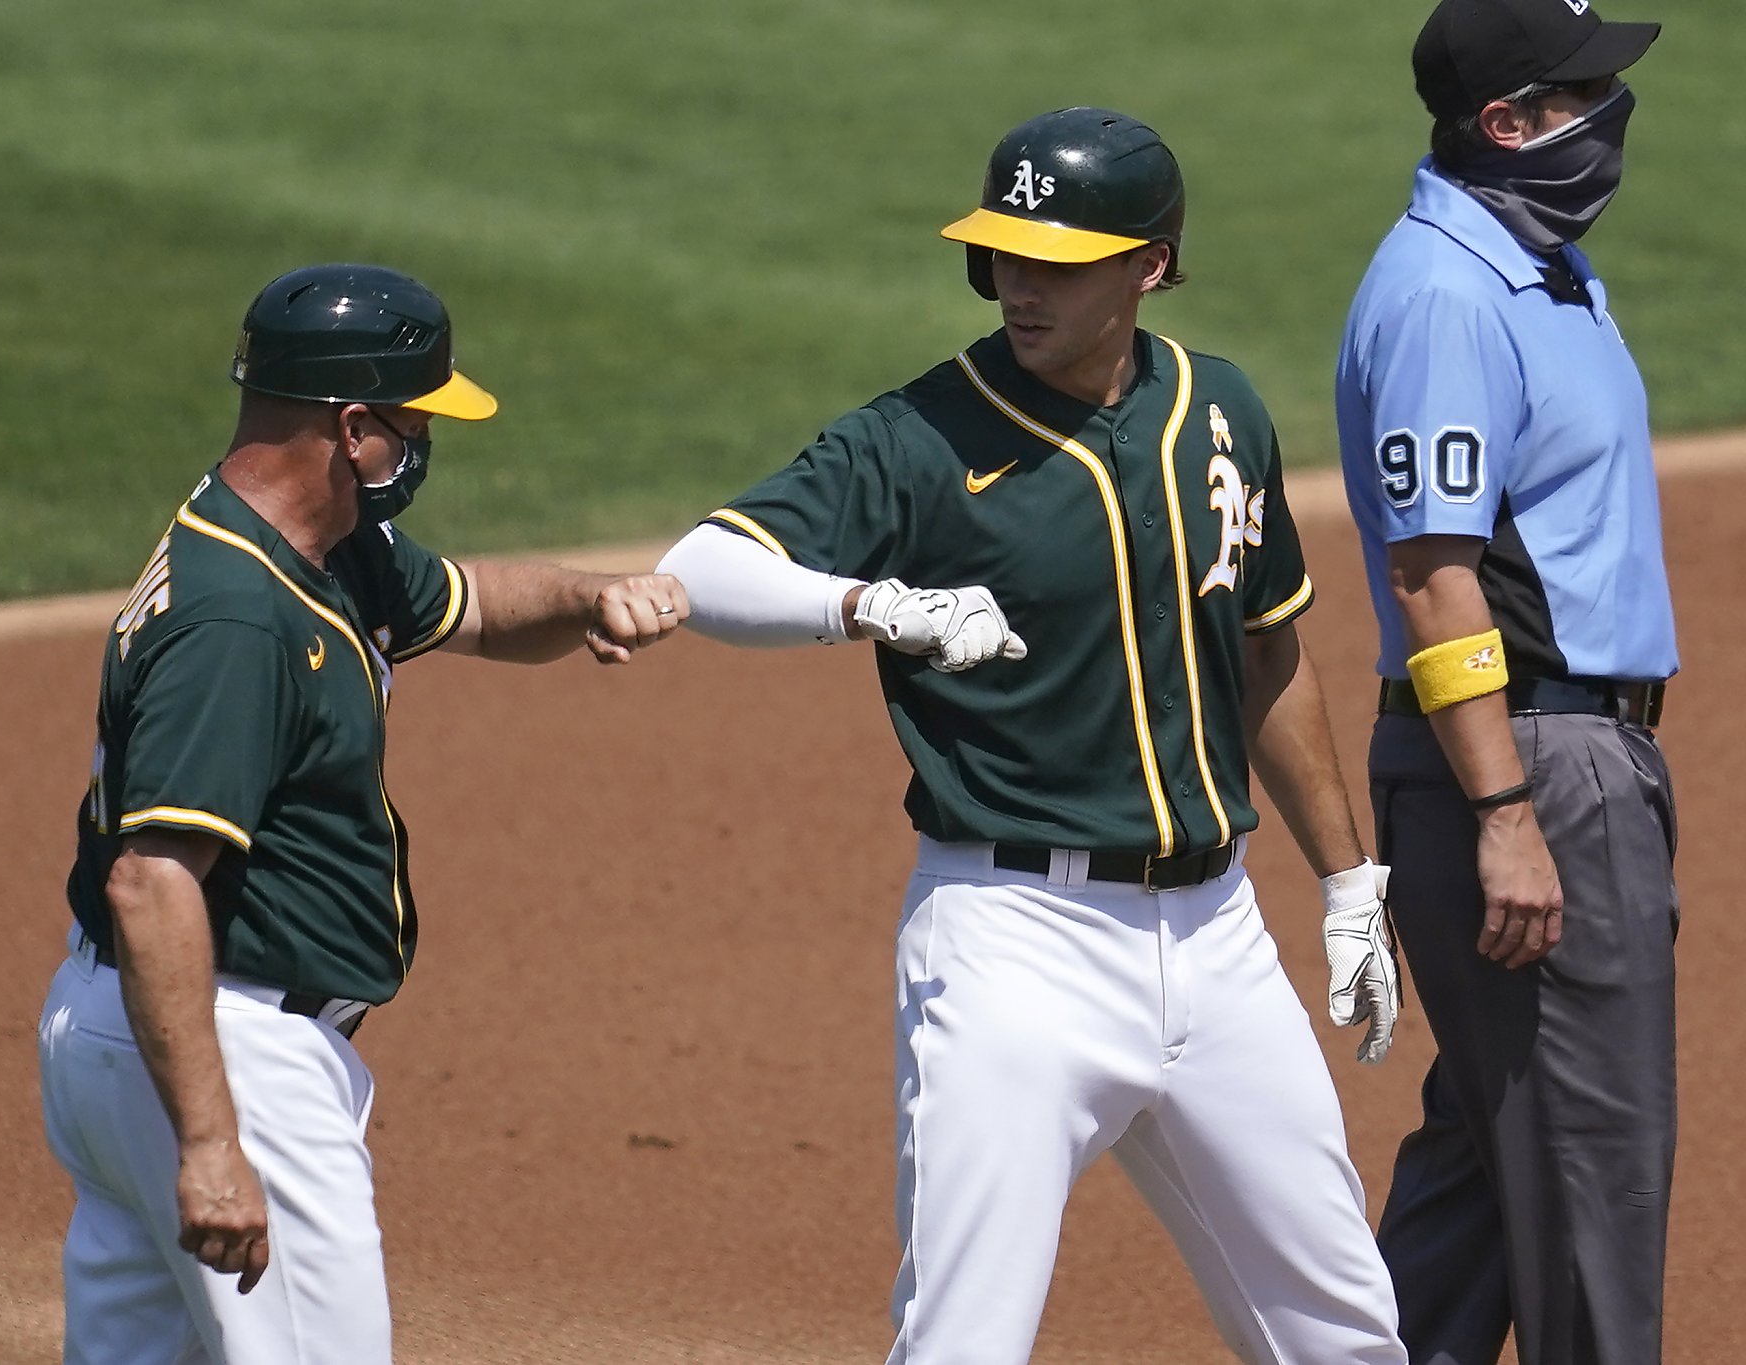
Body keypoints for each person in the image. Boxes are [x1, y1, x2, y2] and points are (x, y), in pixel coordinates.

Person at [658, 107, 1406, 1365]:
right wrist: (869, 604)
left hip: (1219, 942)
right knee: (963, 1344)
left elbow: (1266, 651)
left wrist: (1345, 880)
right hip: (1015, 950)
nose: (1018, 283)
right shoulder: (918, 436)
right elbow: (699, 569)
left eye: (1056, 259)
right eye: (1001, 253)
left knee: (1342, 1336)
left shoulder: (1218, 410)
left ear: (1148, 265)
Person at [35, 262, 688, 1364]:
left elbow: (476, 603)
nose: (424, 443)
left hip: (130, 1032)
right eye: (412, 419)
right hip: (222, 1044)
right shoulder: (238, 622)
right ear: (350, 427)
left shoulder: (315, 550)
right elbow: (150, 879)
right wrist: (210, 1142)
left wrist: (587, 598)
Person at [1334, 2, 1678, 1361]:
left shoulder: (1543, 268)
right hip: (1528, 757)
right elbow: (1434, 574)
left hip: (1574, 756)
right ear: (1511, 123)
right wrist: (1506, 811)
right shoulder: (1444, 296)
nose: (1614, 114)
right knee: (1594, 1174)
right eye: (1587, 91)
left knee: (1483, 1179)